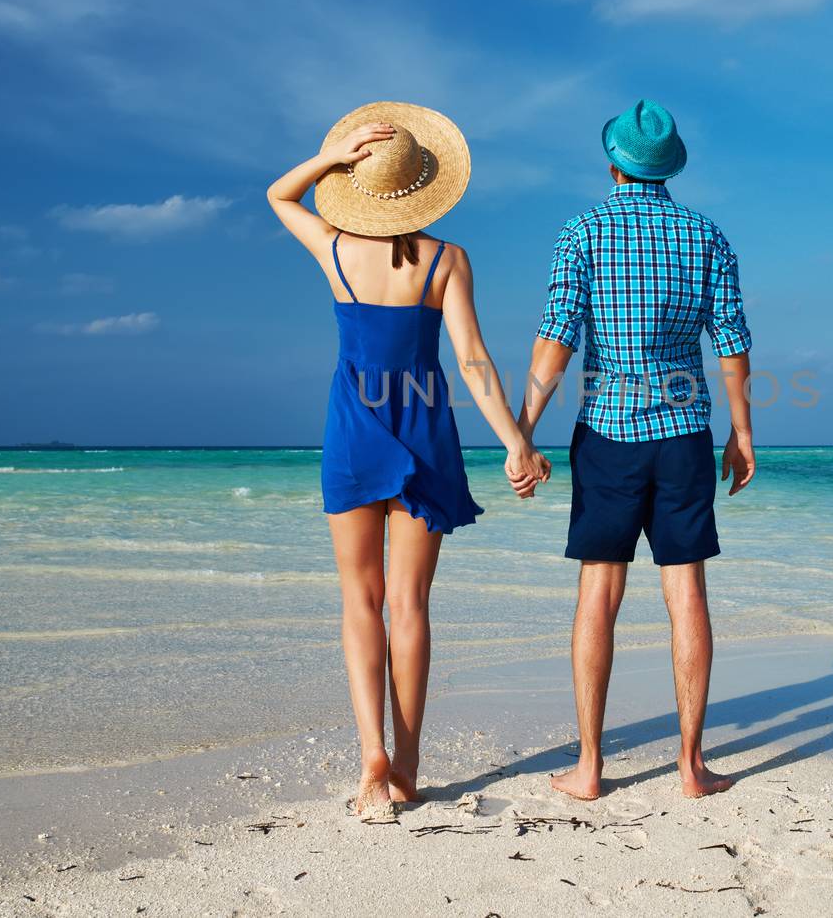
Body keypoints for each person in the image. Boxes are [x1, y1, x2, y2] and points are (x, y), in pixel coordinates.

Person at [267, 101, 550, 816]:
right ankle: (409, 764)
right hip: (424, 426)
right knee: (410, 604)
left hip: (353, 430)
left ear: (361, 184)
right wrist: (516, 439)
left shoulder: (332, 248)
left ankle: (371, 757)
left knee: (359, 600)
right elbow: (475, 360)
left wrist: (334, 157)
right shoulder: (448, 259)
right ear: (426, 185)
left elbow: (278, 193)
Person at [512, 98, 756, 801]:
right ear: (669, 166)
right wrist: (742, 434)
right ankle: (690, 766)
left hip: (609, 435)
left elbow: (556, 335)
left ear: (614, 162)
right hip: (683, 435)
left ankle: (589, 767)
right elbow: (734, 346)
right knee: (686, 593)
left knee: (599, 592)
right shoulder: (705, 235)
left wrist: (524, 429)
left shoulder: (584, 229)